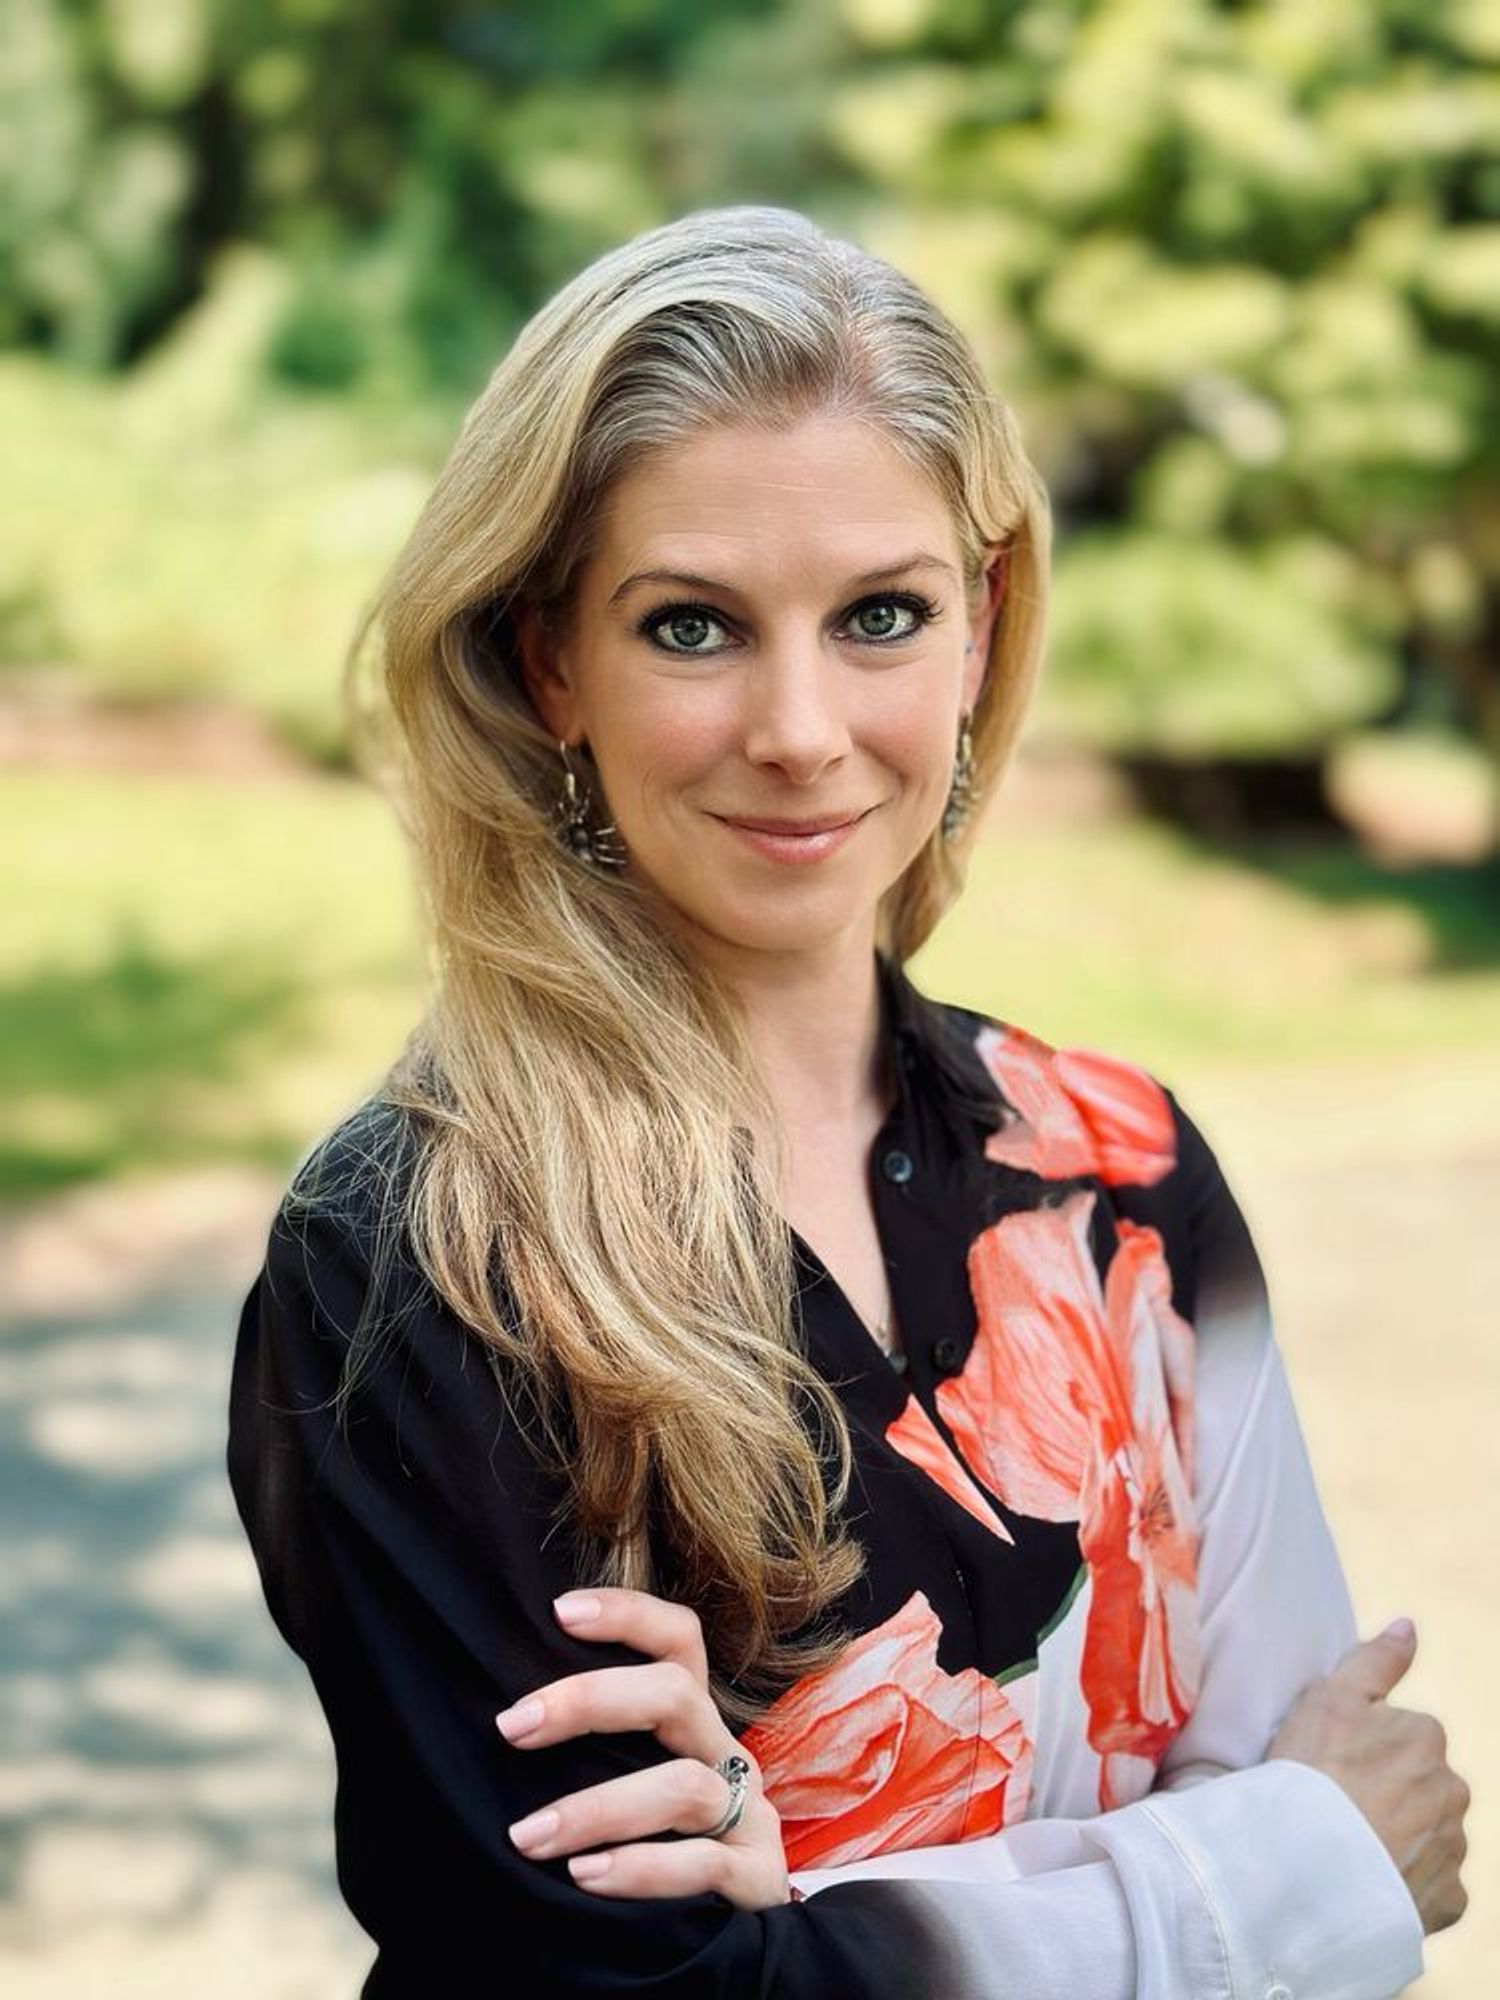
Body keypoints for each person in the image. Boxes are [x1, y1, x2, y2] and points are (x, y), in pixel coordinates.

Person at [227, 205, 1468, 1997]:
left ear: (983, 633)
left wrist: (830, 1910)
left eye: (881, 613)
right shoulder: (429, 1254)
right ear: (549, 663)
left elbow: (1351, 1861)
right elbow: (608, 1997)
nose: (802, 727)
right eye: (693, 627)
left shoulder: (1121, 1166)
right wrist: (1256, 1883)